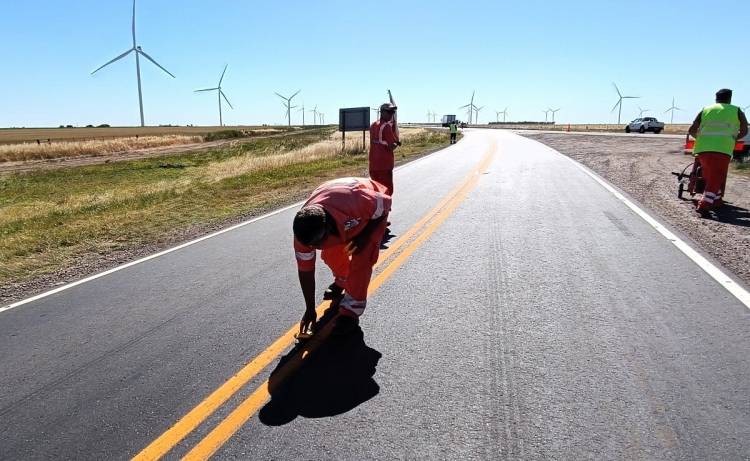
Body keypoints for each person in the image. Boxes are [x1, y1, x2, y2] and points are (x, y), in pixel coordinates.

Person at [293, 177, 391, 336]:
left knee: (362, 257)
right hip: (334, 206)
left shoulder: (356, 200)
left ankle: (351, 311)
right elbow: (306, 271)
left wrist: (364, 236)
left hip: (369, 212)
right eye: (311, 246)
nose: (313, 249)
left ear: (330, 228)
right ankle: (344, 280)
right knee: (331, 254)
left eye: (317, 244)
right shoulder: (303, 236)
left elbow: (384, 206)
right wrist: (310, 309)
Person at [688, 88, 748, 214]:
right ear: (729, 98)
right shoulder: (736, 111)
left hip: (703, 149)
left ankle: (717, 200)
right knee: (717, 176)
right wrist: (733, 138)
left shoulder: (705, 110)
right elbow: (744, 130)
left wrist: (700, 139)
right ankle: (704, 204)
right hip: (722, 148)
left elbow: (692, 129)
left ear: (716, 98)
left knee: (709, 175)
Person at [369, 103, 400, 197]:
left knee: (376, 190)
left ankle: (377, 210)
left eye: (393, 112)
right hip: (385, 165)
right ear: (382, 112)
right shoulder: (386, 127)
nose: (391, 114)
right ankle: (385, 210)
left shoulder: (373, 125)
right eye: (389, 112)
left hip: (373, 164)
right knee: (386, 190)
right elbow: (391, 146)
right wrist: (396, 144)